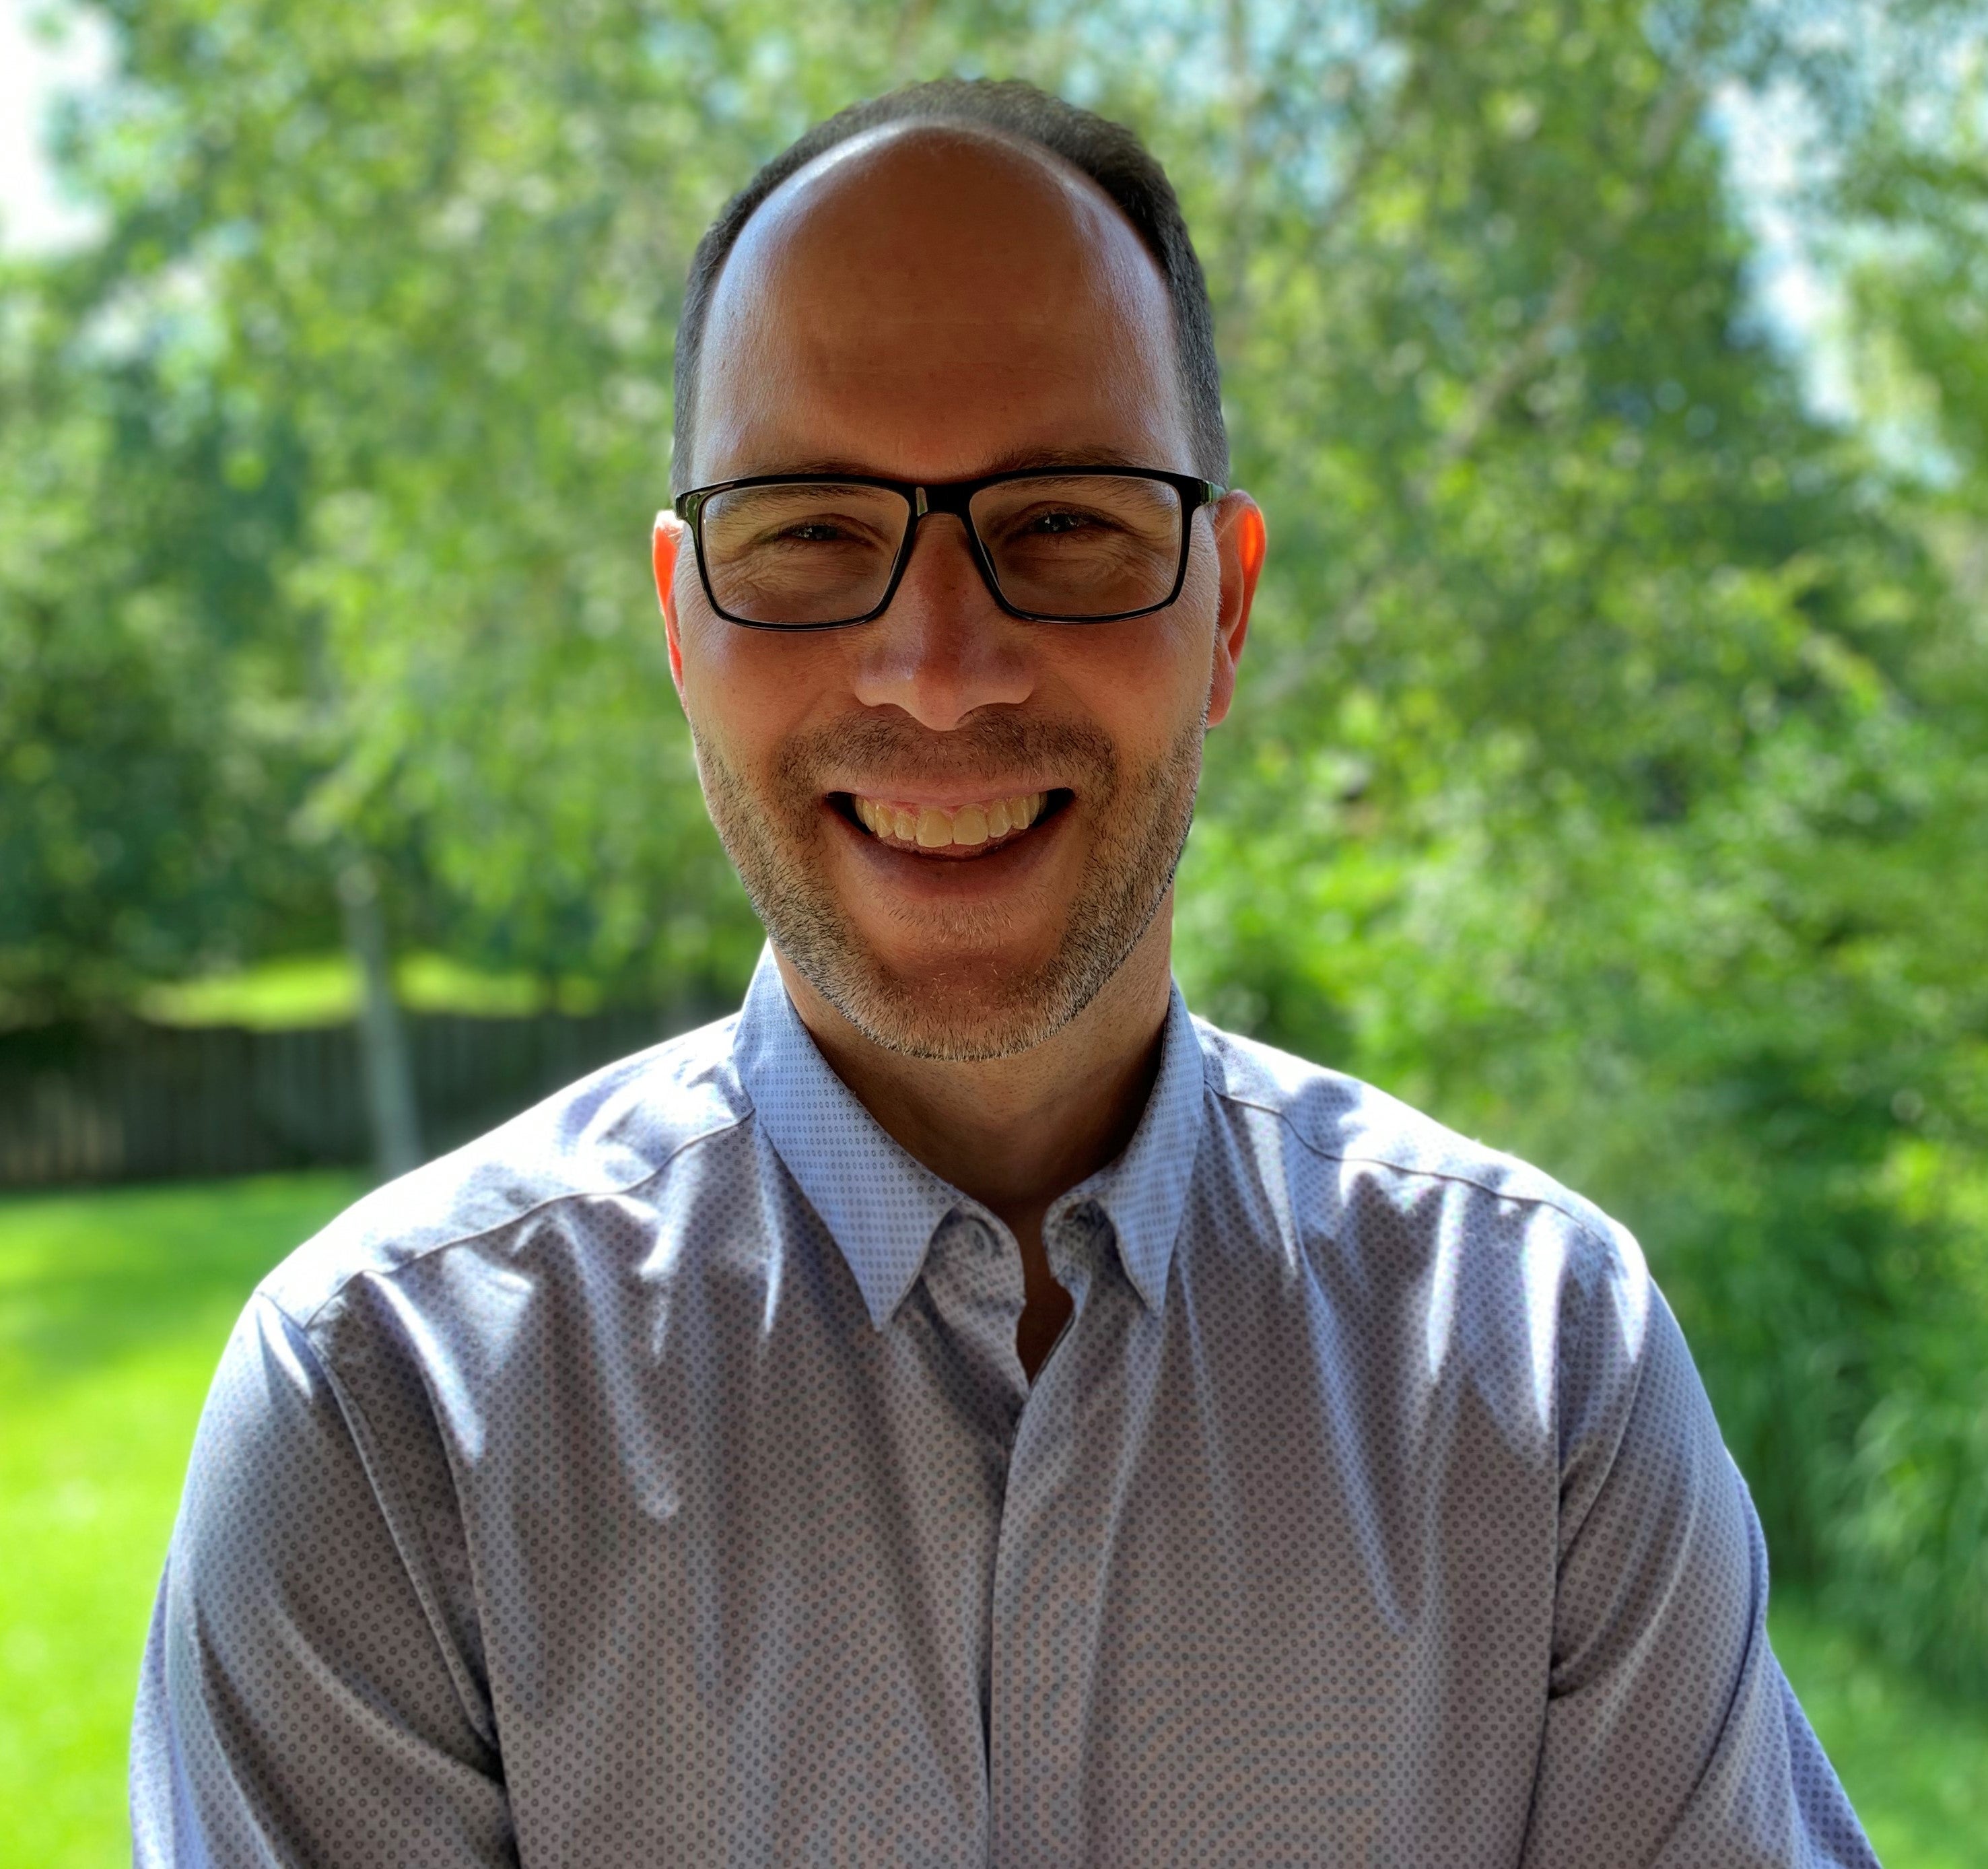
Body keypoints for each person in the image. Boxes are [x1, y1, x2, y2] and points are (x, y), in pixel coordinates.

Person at [131, 78, 1875, 1867]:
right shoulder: (385, 1413)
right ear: (680, 623)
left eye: (1062, 521)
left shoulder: (1543, 1373)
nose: (938, 669)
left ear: (1225, 605)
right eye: (805, 527)